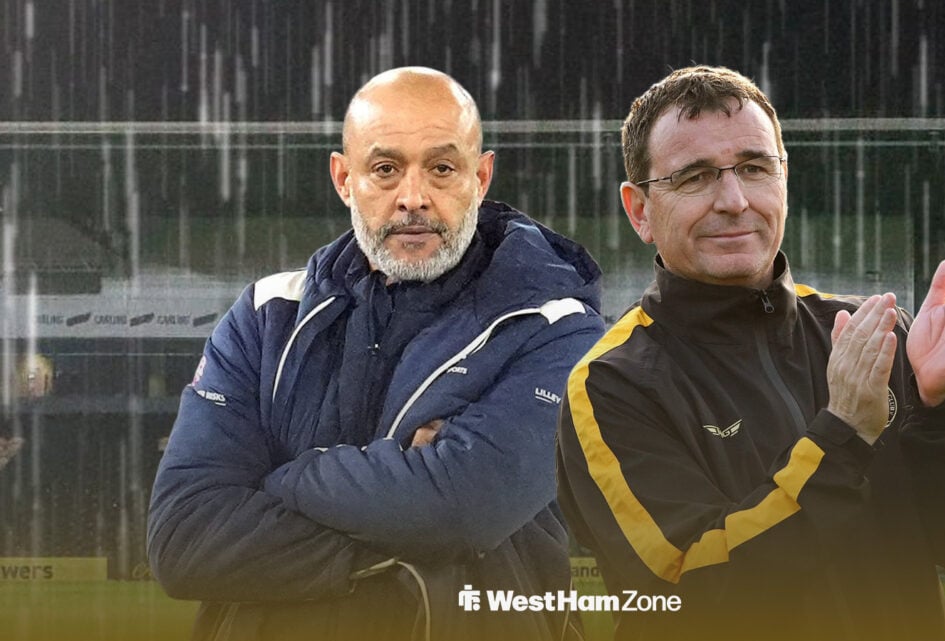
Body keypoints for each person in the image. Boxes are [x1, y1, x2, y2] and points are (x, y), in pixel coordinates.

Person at [556, 66, 945, 641]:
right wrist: (842, 437)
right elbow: (689, 596)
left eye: (755, 168)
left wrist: (942, 407)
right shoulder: (612, 384)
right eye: (695, 177)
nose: (733, 201)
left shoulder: (875, 334)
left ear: (783, 181)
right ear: (640, 211)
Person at [148, 67, 604, 641]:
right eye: (385, 169)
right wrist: (411, 518)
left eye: (442, 168)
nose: (413, 198)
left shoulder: (556, 327)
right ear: (344, 179)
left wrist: (287, 478)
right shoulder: (265, 316)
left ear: (481, 177)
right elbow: (186, 541)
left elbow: (464, 509)